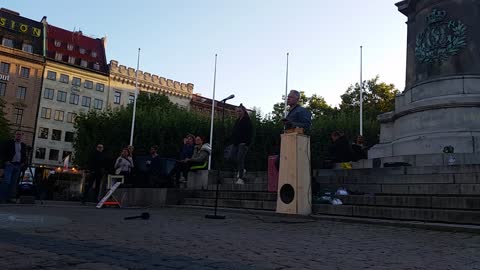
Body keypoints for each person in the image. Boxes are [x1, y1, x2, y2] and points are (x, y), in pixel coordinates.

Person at [227, 103, 253, 185]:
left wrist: (246, 143)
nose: (238, 112)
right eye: (237, 111)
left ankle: (241, 178)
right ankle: (241, 169)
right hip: (235, 143)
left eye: (240, 111)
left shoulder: (247, 120)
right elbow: (234, 132)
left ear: (243, 111)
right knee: (230, 157)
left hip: (243, 143)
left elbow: (250, 133)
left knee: (240, 159)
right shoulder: (237, 121)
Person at [0, 130, 27, 203]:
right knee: (6, 181)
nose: (18, 136)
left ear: (22, 136)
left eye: (20, 135)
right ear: (15, 135)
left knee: (13, 183)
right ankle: (2, 198)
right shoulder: (9, 143)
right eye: (17, 134)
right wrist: (4, 163)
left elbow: (24, 155)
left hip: (18, 166)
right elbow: (3, 153)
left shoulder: (23, 145)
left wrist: (23, 163)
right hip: (9, 164)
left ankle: (10, 198)